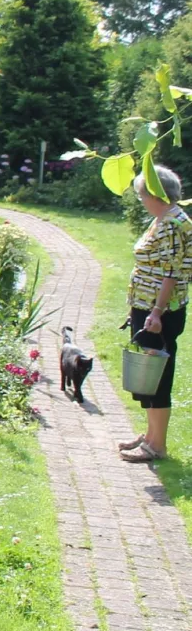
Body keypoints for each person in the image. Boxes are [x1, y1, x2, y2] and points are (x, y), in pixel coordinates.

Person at [120, 165, 189, 463]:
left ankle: (156, 445)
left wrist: (157, 312)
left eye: (142, 195)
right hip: (147, 306)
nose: (141, 200)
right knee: (148, 376)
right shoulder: (164, 218)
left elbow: (172, 272)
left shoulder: (172, 223)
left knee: (157, 376)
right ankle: (150, 435)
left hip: (158, 310)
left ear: (156, 194)